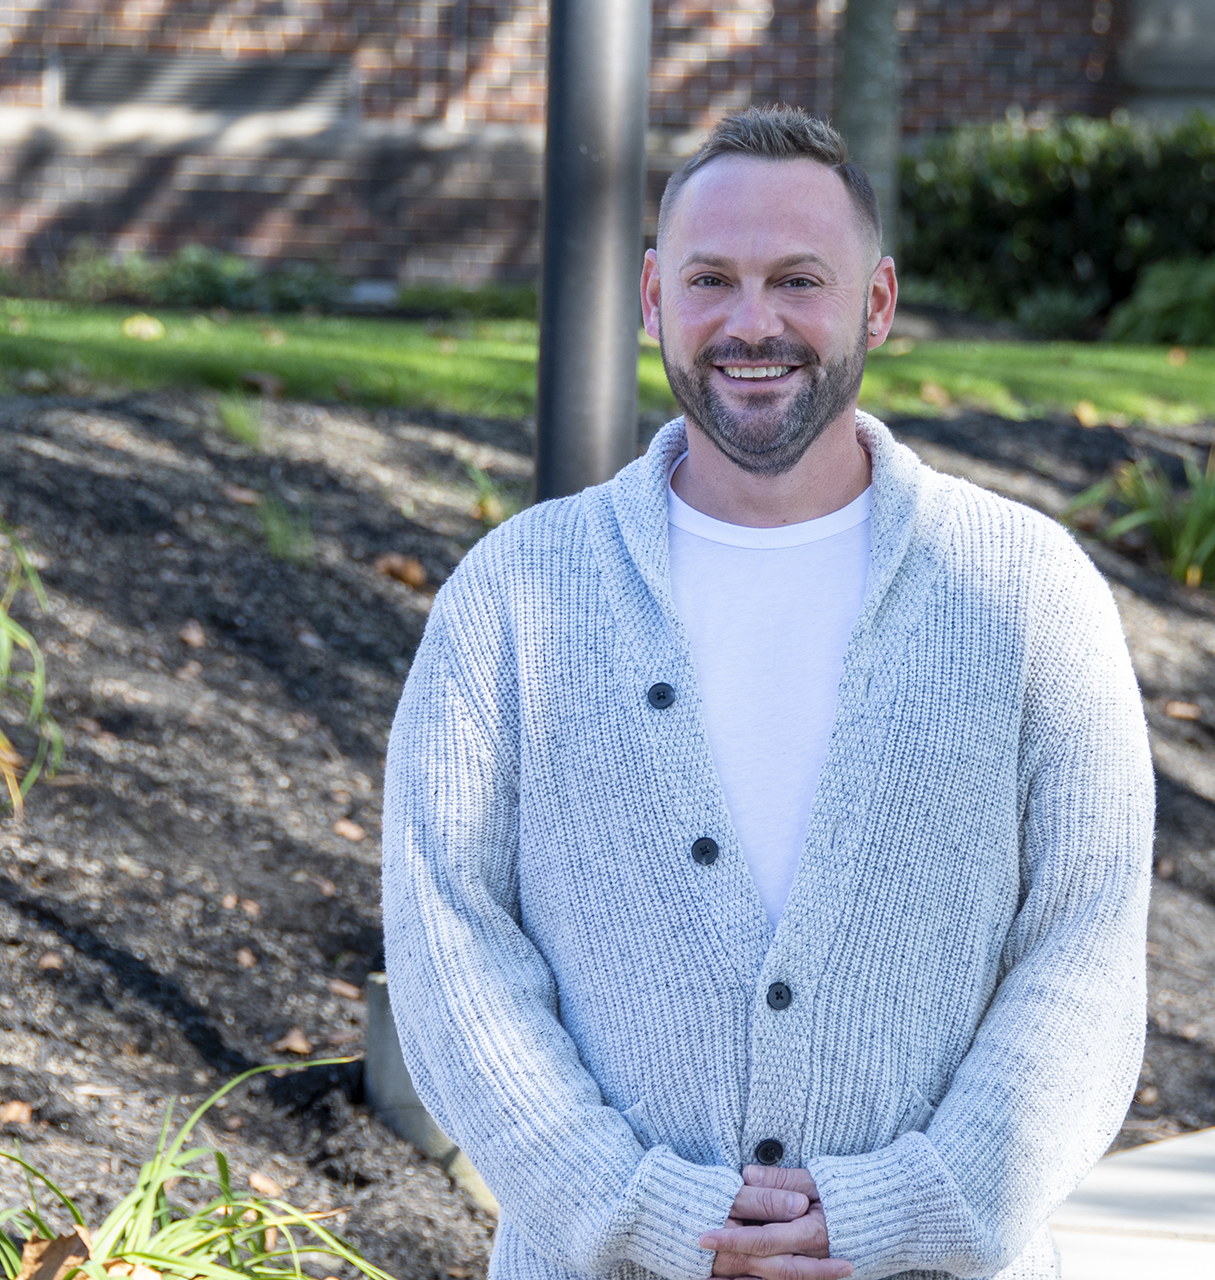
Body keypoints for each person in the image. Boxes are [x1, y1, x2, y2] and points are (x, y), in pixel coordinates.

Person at [382, 105, 1153, 1280]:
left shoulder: (1027, 593)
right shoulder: (516, 596)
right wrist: (649, 1213)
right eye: (712, 280)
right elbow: (452, 953)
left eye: (799, 279)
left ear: (877, 303)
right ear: (651, 299)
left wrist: (910, 1204)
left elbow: (1085, 951)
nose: (754, 323)